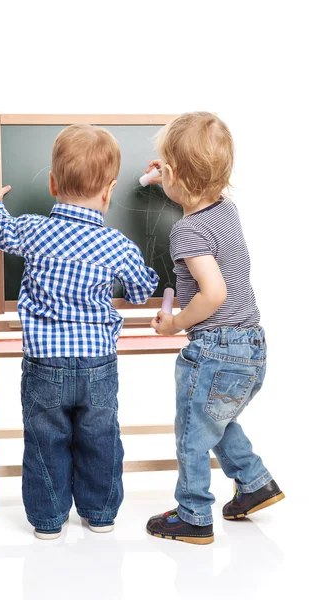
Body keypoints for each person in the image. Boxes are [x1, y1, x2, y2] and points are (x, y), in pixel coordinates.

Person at [0, 124, 159, 539]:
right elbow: (139, 291)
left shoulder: (33, 229)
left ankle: (47, 522)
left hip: (43, 365)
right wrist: (147, 275)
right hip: (98, 365)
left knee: (45, 441)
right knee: (100, 440)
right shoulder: (118, 246)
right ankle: (99, 515)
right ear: (110, 191)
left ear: (53, 183)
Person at [145, 112, 284, 545]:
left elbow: (213, 293)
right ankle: (255, 483)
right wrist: (160, 180)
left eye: (163, 167)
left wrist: (174, 324)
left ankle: (193, 515)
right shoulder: (226, 209)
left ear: (173, 175)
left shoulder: (186, 231)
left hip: (215, 348)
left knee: (192, 429)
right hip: (251, 345)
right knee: (216, 421)